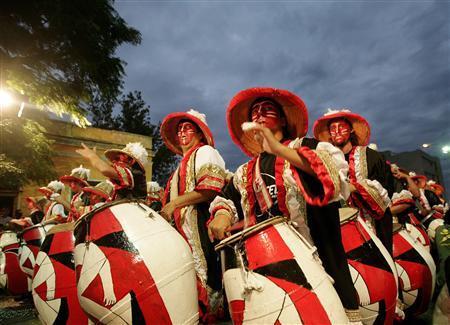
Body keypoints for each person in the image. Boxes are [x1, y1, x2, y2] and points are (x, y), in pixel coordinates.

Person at [207, 88, 360, 322]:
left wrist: (279, 150)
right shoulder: (245, 171)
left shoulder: (308, 145)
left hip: (319, 260)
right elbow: (227, 199)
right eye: (254, 112)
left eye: (266, 110)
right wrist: (222, 215)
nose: (258, 115)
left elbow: (331, 176)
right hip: (271, 266)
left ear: (282, 119)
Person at [160, 109, 227, 322]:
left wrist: (174, 204)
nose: (181, 132)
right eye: (179, 129)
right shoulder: (181, 165)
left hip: (201, 225)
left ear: (199, 133)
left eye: (187, 128)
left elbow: (211, 188)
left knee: (206, 279)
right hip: (181, 232)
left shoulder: (205, 151)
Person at [313, 109, 394, 254]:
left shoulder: (372, 157)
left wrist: (354, 187)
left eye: (341, 127)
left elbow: (387, 192)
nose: (337, 131)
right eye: (332, 128)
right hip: (339, 229)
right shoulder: (324, 161)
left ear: (350, 130)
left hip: (374, 224)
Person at [76, 142, 148, 200]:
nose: (115, 161)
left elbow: (105, 170)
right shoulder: (120, 179)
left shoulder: (136, 173)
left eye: (119, 158)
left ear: (131, 161)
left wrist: (92, 156)